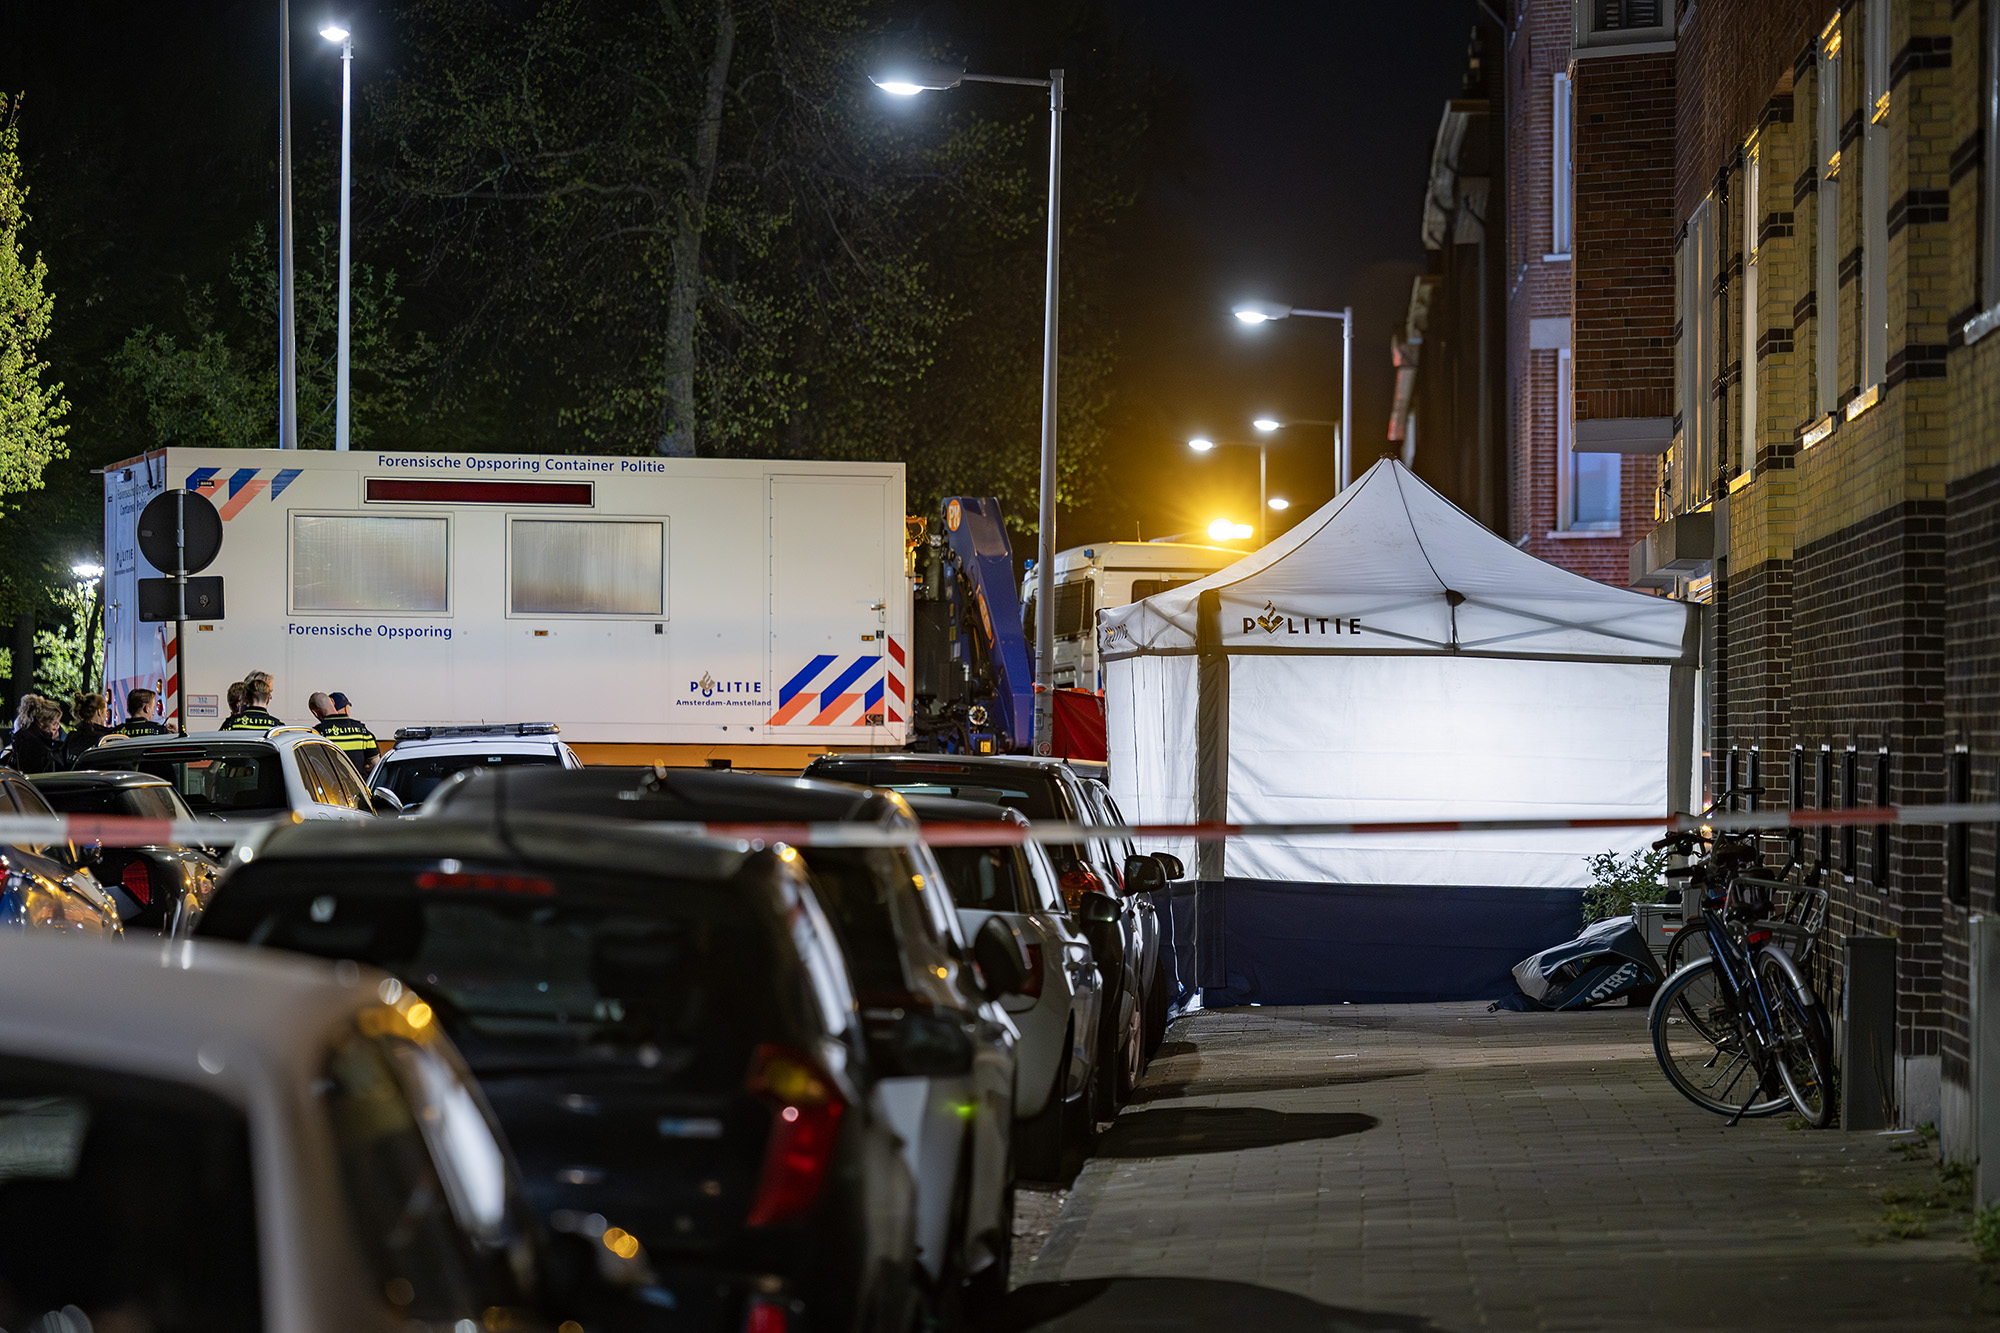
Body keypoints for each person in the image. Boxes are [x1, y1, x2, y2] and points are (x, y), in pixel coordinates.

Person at [309, 690, 380, 777]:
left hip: (332, 788)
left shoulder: (317, 734)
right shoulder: (362, 730)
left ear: (315, 713)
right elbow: (376, 765)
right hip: (360, 788)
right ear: (332, 702)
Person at [8, 696, 65, 774]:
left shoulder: (25, 737)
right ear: (42, 722)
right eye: (54, 723)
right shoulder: (33, 744)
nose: (57, 727)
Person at [67, 691, 114, 756]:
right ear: (99, 712)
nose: (106, 716)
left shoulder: (72, 737)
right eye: (106, 712)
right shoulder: (104, 739)